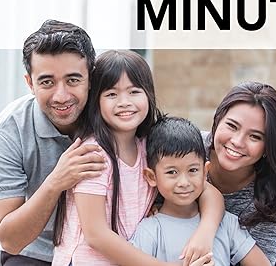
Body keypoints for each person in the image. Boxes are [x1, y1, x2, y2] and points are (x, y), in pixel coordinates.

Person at [52, 50, 223, 266]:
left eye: (134, 92)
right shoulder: (93, 154)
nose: (124, 102)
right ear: (96, 101)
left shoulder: (150, 145)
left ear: (149, 95)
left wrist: (205, 232)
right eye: (111, 94)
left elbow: (210, 193)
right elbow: (96, 234)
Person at [0, 19, 108, 265]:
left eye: (73, 80)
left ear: (91, 78)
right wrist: (56, 182)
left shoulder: (115, 113)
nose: (61, 96)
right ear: (30, 83)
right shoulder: (8, 131)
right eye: (47, 82)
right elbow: (10, 239)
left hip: (104, 250)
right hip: (35, 251)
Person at [131, 116, 272, 266]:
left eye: (192, 170)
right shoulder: (149, 231)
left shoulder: (227, 224)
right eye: (172, 172)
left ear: (205, 172)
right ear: (152, 177)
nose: (184, 182)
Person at [204, 82, 276, 265]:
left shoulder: (270, 198)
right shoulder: (186, 148)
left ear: (268, 147)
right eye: (231, 126)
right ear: (218, 119)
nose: (237, 142)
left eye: (255, 136)